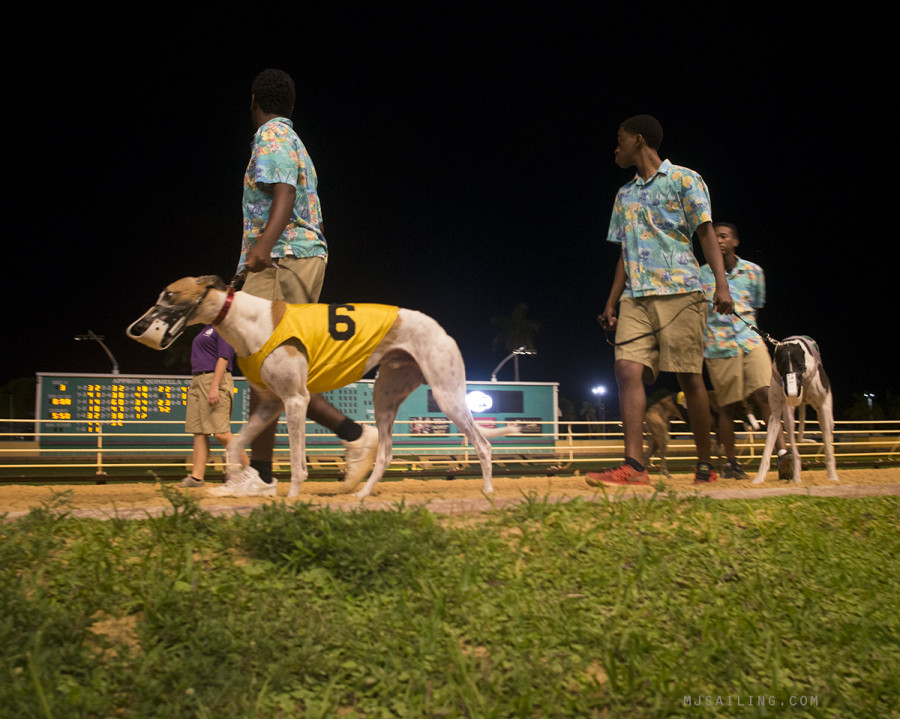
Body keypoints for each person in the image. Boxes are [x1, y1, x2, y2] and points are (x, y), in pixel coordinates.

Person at [217, 68, 377, 497]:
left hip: (283, 257)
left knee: (263, 364)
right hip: (298, 256)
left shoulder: (270, 135)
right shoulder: (294, 140)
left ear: (254, 99)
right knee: (279, 373)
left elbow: (284, 192)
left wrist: (261, 248)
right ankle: (354, 436)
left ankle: (263, 477)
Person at [589, 115, 734, 487]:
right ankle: (635, 466)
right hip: (636, 296)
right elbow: (625, 251)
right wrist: (611, 301)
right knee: (626, 370)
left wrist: (721, 285)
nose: (615, 147)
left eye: (619, 139)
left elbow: (704, 234)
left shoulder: (686, 179)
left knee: (689, 377)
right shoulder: (624, 195)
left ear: (638, 140)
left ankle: (705, 464)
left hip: (681, 291)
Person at [700, 222, 791, 479]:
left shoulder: (754, 272)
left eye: (724, 236)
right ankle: (732, 464)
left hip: (750, 340)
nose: (719, 240)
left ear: (735, 242)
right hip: (719, 346)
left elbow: (756, 309)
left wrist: (751, 332)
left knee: (766, 394)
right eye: (714, 237)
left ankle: (784, 455)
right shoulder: (702, 275)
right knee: (727, 407)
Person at [179, 325, 248, 487]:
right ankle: (197, 478)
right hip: (197, 379)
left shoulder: (225, 327)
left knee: (221, 433)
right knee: (199, 432)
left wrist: (215, 386)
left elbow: (224, 357)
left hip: (214, 379)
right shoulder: (205, 328)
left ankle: (250, 471)